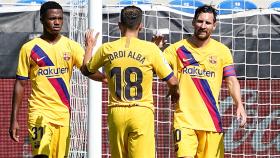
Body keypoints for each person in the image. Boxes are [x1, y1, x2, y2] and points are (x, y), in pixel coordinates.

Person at [80, 5, 180, 158]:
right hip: (141, 112)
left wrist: (89, 47)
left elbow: (86, 70)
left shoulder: (107, 48)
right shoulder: (151, 49)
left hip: (117, 113)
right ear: (141, 26)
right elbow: (173, 81)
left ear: (119, 25)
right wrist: (175, 94)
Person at [9, 1, 105, 158]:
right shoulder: (29, 48)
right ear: (42, 20)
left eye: (60, 18)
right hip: (39, 114)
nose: (57, 22)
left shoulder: (71, 46)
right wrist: (14, 119)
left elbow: (87, 71)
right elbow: (20, 83)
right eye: (52, 18)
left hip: (63, 116)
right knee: (40, 155)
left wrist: (106, 79)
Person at [155, 5, 247, 158]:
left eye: (208, 23)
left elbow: (231, 80)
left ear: (214, 26)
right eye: (200, 21)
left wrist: (239, 104)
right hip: (184, 121)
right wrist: (154, 50)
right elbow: (153, 67)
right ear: (193, 22)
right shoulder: (176, 49)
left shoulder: (222, 51)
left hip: (211, 122)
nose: (203, 26)